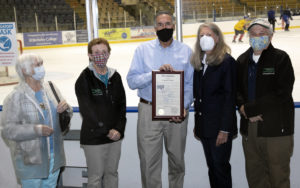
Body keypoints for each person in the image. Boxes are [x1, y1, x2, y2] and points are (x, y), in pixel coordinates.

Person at [126, 11, 194, 188]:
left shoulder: (186, 51)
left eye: (168, 24)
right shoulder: (142, 50)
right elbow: (132, 81)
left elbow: (190, 85)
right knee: (149, 163)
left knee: (177, 161)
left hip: (176, 112)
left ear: (173, 25)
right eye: (161, 24)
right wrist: (154, 74)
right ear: (155, 28)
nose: (165, 27)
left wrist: (184, 107)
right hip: (149, 111)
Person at [236, 18, 295, 188]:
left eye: (261, 34)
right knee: (255, 177)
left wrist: (250, 109)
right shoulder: (242, 60)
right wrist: (242, 107)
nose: (257, 37)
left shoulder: (280, 59)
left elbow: (282, 92)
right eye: (253, 34)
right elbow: (236, 91)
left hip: (276, 128)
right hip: (250, 128)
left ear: (270, 36)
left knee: (278, 177)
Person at [0, 53, 73, 188]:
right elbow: (8, 130)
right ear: (24, 70)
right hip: (31, 160)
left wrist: (66, 108)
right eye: (37, 65)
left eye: (42, 63)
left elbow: (65, 114)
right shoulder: (15, 97)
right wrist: (36, 130)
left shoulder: (50, 88)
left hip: (54, 156)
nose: (42, 68)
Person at [75, 38, 126, 188]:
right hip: (94, 137)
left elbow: (121, 107)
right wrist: (106, 130)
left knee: (112, 173)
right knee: (96, 177)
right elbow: (87, 111)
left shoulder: (115, 77)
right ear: (90, 55)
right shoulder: (84, 78)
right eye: (96, 52)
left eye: (104, 52)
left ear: (109, 54)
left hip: (114, 136)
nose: (100, 55)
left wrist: (119, 130)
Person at [191, 23, 237, 188]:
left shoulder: (226, 62)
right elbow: (199, 97)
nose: (205, 38)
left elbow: (229, 97)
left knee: (220, 168)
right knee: (212, 167)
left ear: (217, 38)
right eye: (202, 35)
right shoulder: (199, 63)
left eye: (209, 35)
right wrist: (198, 124)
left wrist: (225, 129)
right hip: (205, 127)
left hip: (219, 128)